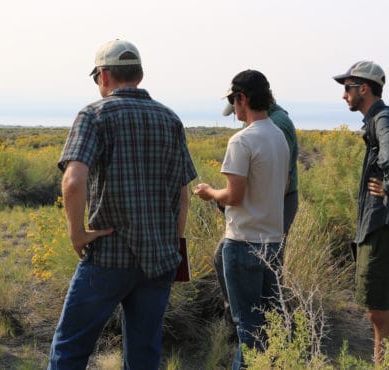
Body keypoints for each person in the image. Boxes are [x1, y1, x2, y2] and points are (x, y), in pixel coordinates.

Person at [48, 39, 197, 369]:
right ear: (139, 76)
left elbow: (73, 181)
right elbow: (183, 194)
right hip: (159, 261)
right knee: (144, 355)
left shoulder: (94, 115)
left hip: (107, 257)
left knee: (70, 349)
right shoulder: (170, 119)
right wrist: (173, 245)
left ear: (103, 76)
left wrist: (78, 235)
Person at [194, 70, 289, 369]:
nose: (234, 107)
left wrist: (210, 192)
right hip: (273, 243)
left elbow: (234, 196)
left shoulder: (242, 141)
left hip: (244, 243)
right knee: (266, 325)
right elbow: (283, 187)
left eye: (234, 100)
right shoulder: (279, 137)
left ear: (243, 98)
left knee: (248, 327)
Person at [333, 61, 389, 364]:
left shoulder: (383, 119)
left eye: (347, 88)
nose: (344, 95)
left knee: (377, 308)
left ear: (363, 88)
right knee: (377, 305)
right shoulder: (378, 120)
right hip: (379, 225)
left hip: (382, 225)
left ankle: (385, 363)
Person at [214, 100, 299, 318]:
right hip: (270, 204)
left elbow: (279, 180)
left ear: (243, 100)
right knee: (264, 270)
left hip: (270, 205)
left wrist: (214, 194)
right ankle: (264, 327)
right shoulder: (272, 126)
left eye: (235, 109)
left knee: (257, 269)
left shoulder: (274, 126)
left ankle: (250, 322)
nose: (236, 115)